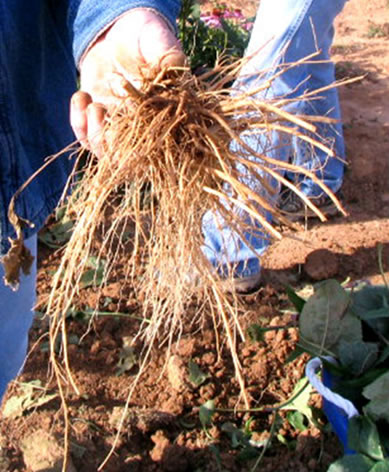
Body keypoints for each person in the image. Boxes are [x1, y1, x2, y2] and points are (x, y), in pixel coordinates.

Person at [0, 0, 347, 402]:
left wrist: (115, 14)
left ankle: (236, 245)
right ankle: (296, 198)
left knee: (283, 51)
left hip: (12, 178)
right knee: (295, 47)